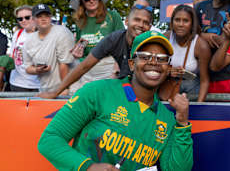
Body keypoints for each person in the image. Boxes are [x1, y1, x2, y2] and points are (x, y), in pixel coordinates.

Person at [38, 31, 193, 171]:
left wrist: (182, 125)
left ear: (168, 68)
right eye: (145, 56)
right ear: (132, 64)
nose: (154, 62)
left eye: (161, 59)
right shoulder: (97, 92)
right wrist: (88, 167)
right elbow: (50, 140)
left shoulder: (166, 119)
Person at [37, 3, 153, 99]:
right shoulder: (114, 39)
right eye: (137, 20)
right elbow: (84, 66)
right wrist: (56, 92)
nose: (141, 25)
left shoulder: (153, 42)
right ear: (127, 22)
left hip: (147, 91)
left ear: (150, 26)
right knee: (95, 91)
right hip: (125, 88)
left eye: (146, 22)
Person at [70, 0, 124, 92]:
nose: (91, 1)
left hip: (108, 67)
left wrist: (117, 66)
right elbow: (82, 51)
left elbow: (123, 44)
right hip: (87, 68)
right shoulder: (80, 22)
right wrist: (77, 53)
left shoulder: (113, 16)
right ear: (82, 2)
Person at [23, 4, 74, 92]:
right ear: (33, 19)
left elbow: (64, 64)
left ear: (50, 17)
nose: (43, 19)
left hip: (67, 88)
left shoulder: (62, 32)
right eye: (39, 16)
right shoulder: (29, 40)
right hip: (45, 89)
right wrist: (37, 70)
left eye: (46, 15)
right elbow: (28, 68)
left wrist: (65, 89)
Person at [165, 5, 211, 102]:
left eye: (185, 21)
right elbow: (154, 65)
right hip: (167, 86)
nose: (181, 24)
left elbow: (204, 81)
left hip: (192, 90)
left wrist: (199, 106)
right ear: (172, 22)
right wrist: (168, 71)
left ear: (192, 24)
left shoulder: (201, 45)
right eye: (177, 20)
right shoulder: (166, 37)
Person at [8, 5, 40, 92]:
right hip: (17, 83)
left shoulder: (43, 34)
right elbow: (12, 55)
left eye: (27, 17)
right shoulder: (17, 34)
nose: (24, 21)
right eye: (20, 19)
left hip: (39, 84)